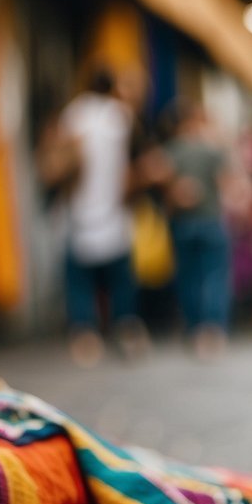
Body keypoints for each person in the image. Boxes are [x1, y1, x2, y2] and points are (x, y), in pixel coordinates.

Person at [58, 68, 147, 366]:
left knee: (80, 278)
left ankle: (85, 335)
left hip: (79, 207)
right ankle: (126, 328)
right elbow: (130, 163)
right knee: (120, 276)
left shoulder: (74, 114)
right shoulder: (120, 117)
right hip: (113, 207)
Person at [158, 99, 232, 359]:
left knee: (188, 278)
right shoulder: (213, 150)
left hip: (183, 223)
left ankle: (193, 329)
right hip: (211, 220)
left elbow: (163, 185)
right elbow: (228, 184)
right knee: (214, 276)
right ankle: (211, 331)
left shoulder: (171, 150)